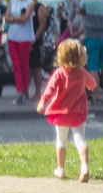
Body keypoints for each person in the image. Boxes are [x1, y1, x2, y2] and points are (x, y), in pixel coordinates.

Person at [37, 39, 98, 182]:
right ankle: (84, 167)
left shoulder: (59, 73)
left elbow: (49, 90)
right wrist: (90, 86)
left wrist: (42, 103)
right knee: (80, 139)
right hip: (78, 112)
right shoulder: (82, 73)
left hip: (61, 112)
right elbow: (93, 85)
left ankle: (61, 169)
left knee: (61, 140)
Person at [5, 0, 36, 105]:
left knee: (24, 65)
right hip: (12, 36)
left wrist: (13, 19)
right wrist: (14, 18)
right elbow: (6, 17)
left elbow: (26, 18)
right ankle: (19, 92)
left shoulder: (30, 2)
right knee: (16, 65)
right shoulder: (13, 0)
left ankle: (24, 91)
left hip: (25, 37)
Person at [27, 0, 50, 100]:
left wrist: (33, 39)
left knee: (36, 67)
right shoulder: (27, 6)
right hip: (26, 39)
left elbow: (42, 25)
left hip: (35, 41)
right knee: (28, 67)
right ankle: (25, 91)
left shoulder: (39, 7)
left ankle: (38, 92)